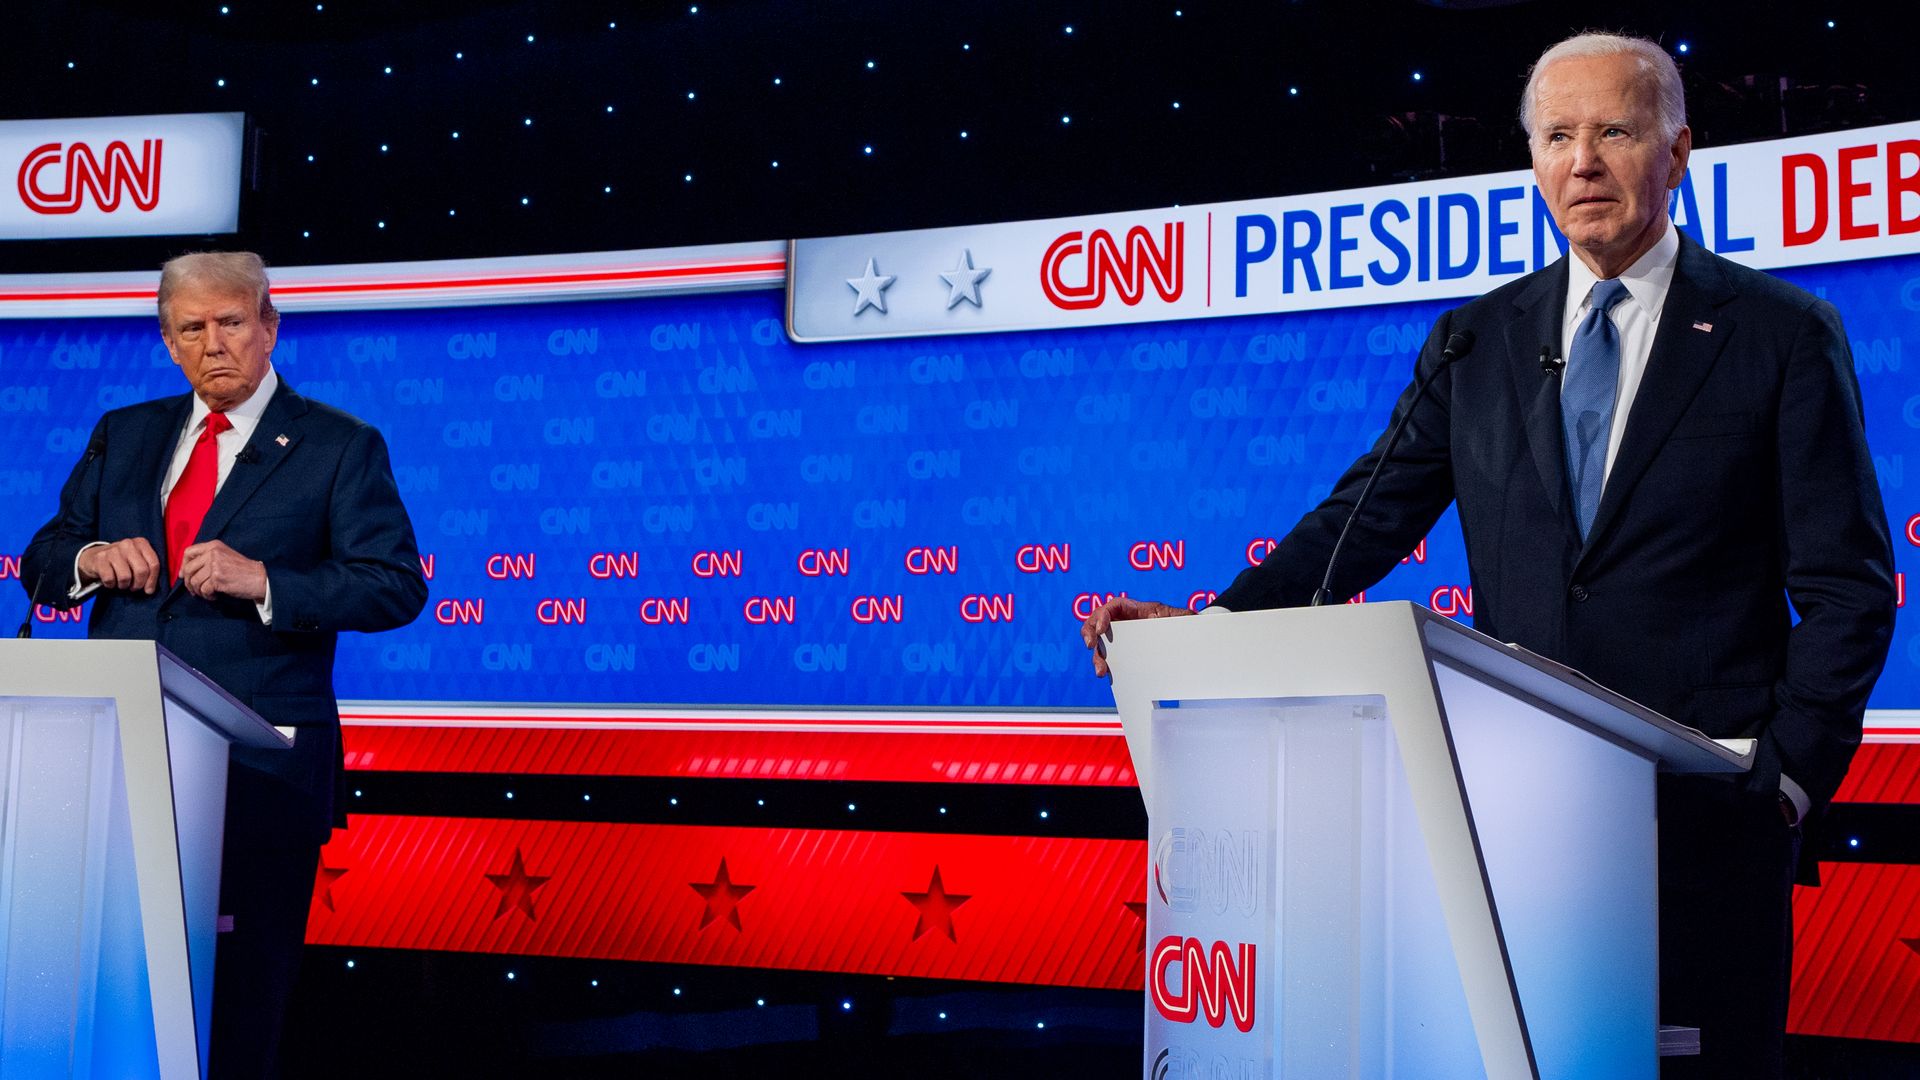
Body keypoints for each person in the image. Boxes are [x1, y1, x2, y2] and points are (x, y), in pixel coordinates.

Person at [1082, 32, 1894, 1078]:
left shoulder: (1780, 335)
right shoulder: (1477, 340)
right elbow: (1362, 523)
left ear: (1679, 150)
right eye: (1557, 136)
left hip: (1706, 833)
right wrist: (1218, 628)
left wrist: (1784, 781)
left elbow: (1848, 588)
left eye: (1613, 130)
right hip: (1517, 824)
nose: (1583, 161)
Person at [21, 251, 429, 1078]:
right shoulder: (123, 433)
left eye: (232, 323)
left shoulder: (339, 445)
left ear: (269, 327)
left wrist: (266, 581)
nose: (214, 344)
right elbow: (42, 558)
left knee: (238, 1010)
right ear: (169, 342)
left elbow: (394, 586)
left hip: (258, 772)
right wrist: (94, 557)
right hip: (116, 769)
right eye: (192, 328)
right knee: (103, 995)